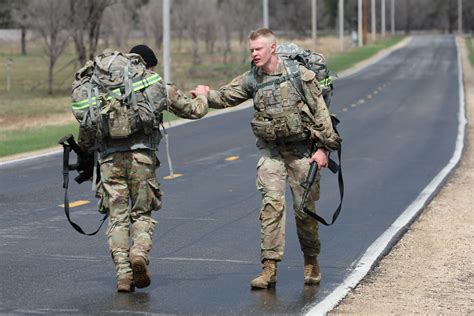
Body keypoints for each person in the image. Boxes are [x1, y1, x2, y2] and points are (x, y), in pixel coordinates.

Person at [193, 28, 341, 289]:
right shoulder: (253, 77)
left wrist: (323, 150)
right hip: (272, 151)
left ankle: (311, 261)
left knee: (303, 210)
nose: (254, 54)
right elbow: (227, 97)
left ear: (272, 48)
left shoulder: (299, 75)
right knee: (271, 206)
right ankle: (269, 268)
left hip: (302, 151)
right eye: (251, 49)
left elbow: (322, 115)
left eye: (258, 49)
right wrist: (205, 95)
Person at [77, 44, 208, 292]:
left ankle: (124, 275)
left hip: (109, 161)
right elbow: (195, 110)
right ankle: (138, 253)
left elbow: (86, 130)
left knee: (117, 218)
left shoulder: (103, 88)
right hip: (142, 160)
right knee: (142, 214)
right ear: (148, 65)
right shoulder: (153, 84)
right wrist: (202, 94)